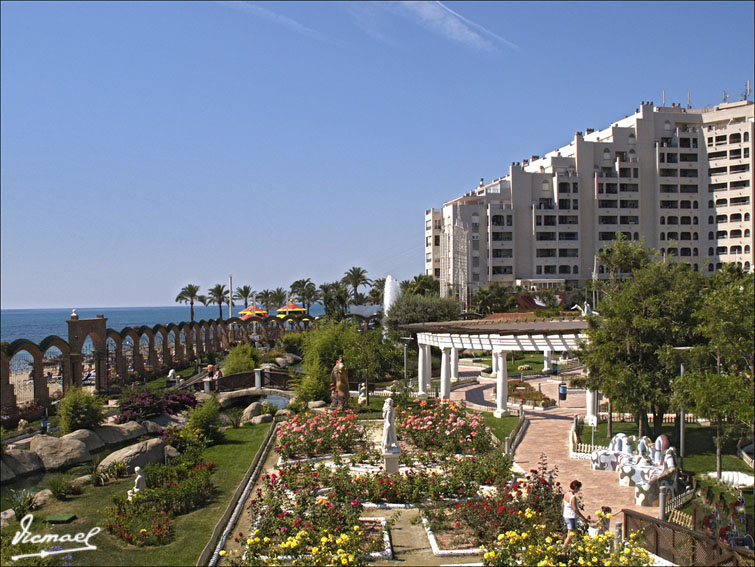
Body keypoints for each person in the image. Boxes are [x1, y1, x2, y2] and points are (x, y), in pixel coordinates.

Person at [563, 480, 591, 548]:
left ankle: (575, 548)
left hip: (566, 515)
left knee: (575, 534)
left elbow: (562, 505)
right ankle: (564, 550)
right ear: (575, 487)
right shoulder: (573, 497)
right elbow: (575, 509)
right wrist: (583, 518)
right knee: (570, 535)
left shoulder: (566, 494)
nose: (578, 490)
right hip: (571, 517)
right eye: (578, 488)